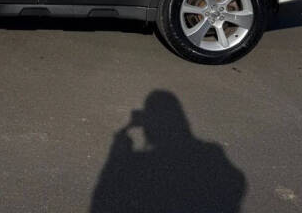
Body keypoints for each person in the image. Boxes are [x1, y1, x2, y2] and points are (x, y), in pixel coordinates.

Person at [91, 90, 246, 213]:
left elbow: (109, 184)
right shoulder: (211, 154)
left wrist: (125, 132)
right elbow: (236, 182)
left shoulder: (140, 162)